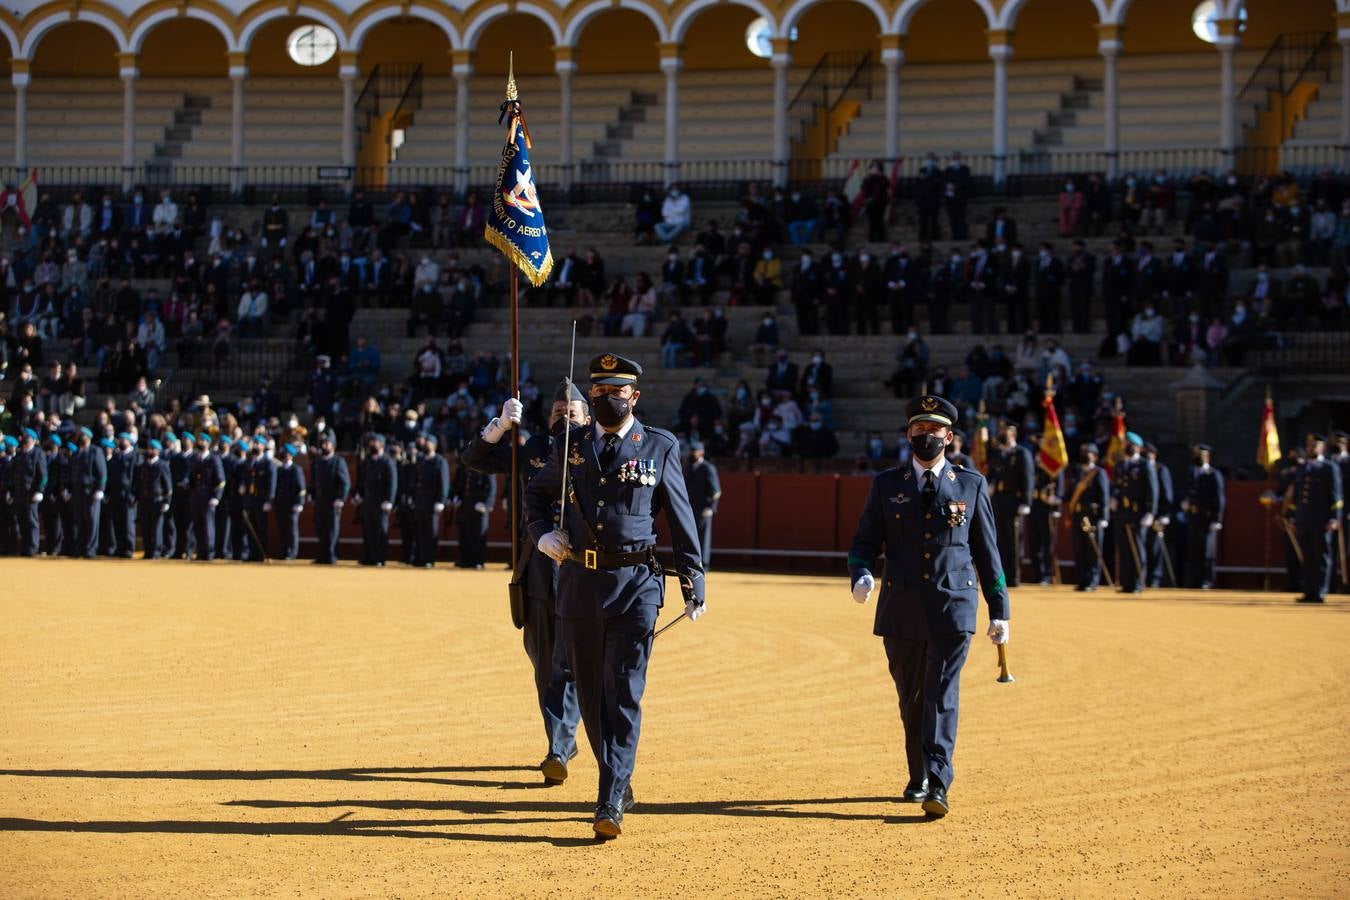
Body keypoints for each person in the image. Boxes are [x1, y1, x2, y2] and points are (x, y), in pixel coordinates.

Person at [524, 353, 706, 839]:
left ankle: (609, 798)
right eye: (598, 393)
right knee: (589, 697)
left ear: (635, 397)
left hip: (636, 587)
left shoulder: (660, 447)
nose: (606, 400)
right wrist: (542, 534)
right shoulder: (571, 445)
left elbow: (682, 519)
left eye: (616, 393)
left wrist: (693, 580)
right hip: (581, 585)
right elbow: (535, 496)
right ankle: (619, 779)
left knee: (623, 693)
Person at [847, 393, 1010, 818]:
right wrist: (861, 572)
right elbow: (865, 540)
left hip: (952, 604)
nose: (926, 437)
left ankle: (938, 782)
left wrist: (1000, 609)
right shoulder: (887, 484)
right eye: (918, 430)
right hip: (901, 605)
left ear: (949, 436)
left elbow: (987, 550)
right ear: (908, 435)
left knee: (940, 695)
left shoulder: (971, 484)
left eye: (933, 430)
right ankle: (918, 773)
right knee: (912, 698)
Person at [462, 381, 590, 784]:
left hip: (582, 569)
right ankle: (561, 739)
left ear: (587, 418)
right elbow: (474, 458)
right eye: (556, 410)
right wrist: (499, 426)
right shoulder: (532, 448)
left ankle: (559, 743)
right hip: (537, 567)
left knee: (568, 663)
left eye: (570, 411)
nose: (562, 415)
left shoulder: (596, 450)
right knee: (544, 660)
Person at [1290, 434, 1343, 603]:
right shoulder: (1302, 467)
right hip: (1304, 518)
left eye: (1314, 445)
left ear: (1322, 447)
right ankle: (1308, 591)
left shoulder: (1329, 467)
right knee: (1307, 556)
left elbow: (1336, 496)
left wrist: (1334, 518)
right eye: (1309, 445)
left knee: (1321, 556)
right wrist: (1293, 516)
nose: (1311, 448)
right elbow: (1296, 496)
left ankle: (1320, 591)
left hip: (1321, 519)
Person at [987, 421, 1034, 589]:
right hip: (998, 499)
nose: (1002, 434)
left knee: (1013, 539)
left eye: (1005, 431)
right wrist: (989, 485)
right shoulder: (998, 453)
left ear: (1013, 433)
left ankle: (1014, 576)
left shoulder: (1022, 453)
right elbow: (992, 473)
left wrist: (1026, 502)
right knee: (998, 538)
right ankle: (1001, 574)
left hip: (1013, 499)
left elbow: (1027, 478)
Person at [1111, 432, 1158, 594]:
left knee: (1137, 547)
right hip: (1123, 511)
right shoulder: (1121, 464)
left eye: (1128, 443)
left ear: (1137, 446)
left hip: (1138, 511)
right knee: (1124, 548)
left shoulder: (1145, 465)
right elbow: (1117, 486)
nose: (1124, 446)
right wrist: (1114, 498)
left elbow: (1152, 490)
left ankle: (1138, 581)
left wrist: (1150, 512)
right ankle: (1127, 582)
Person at [1062, 442, 1111, 591]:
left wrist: (1104, 517)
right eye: (1083, 452)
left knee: (1092, 550)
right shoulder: (1076, 472)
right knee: (1079, 548)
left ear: (1094, 456)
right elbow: (1070, 494)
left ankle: (1092, 581)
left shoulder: (1098, 473)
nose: (1085, 455)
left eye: (1088, 453)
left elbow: (1104, 497)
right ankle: (1082, 580)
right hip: (1078, 514)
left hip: (1093, 516)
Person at [1182, 443, 1224, 589]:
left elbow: (1219, 498)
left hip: (1207, 518)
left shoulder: (1213, 474)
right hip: (1193, 516)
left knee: (1207, 551)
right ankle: (1194, 579)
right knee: (1194, 550)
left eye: (1201, 455)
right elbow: (1188, 491)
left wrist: (1217, 519)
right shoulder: (1192, 472)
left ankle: (1206, 580)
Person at [355, 433, 397, 567]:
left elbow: (392, 483)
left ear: (381, 444)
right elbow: (362, 481)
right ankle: (368, 556)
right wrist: (359, 495)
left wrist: (389, 500)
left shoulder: (387, 461)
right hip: (368, 501)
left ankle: (379, 557)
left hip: (381, 502)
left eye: (374, 442)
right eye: (371, 442)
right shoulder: (368, 461)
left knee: (380, 531)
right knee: (368, 530)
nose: (371, 445)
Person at [310, 431, 350, 565]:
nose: (324, 446)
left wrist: (341, 498)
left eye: (327, 443)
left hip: (333, 501)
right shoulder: (319, 462)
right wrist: (313, 496)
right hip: (321, 501)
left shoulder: (338, 461)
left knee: (332, 529)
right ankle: (322, 554)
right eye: (323, 443)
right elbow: (314, 481)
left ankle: (331, 555)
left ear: (333, 446)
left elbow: (345, 483)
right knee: (321, 529)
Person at [412, 434, 450, 568]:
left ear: (434, 445)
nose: (426, 444)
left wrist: (441, 500)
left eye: (429, 442)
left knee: (431, 532)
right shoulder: (421, 460)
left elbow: (444, 483)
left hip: (432, 502)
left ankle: (429, 558)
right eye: (426, 442)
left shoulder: (440, 461)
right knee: (420, 531)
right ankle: (420, 558)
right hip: (420, 501)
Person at [453, 455, 496, 570]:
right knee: (466, 533)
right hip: (466, 503)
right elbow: (459, 486)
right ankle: (465, 560)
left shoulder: (486, 467)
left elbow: (492, 488)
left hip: (479, 504)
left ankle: (478, 561)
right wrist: (457, 497)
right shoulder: (464, 468)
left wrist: (487, 505)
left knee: (479, 534)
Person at [69, 427, 107, 559]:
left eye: (82, 435)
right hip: (78, 490)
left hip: (91, 491)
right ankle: (80, 548)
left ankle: (90, 549)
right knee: (79, 520)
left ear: (88, 437)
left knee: (91, 521)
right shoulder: (77, 453)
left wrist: (100, 489)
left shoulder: (95, 451)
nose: (80, 438)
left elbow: (102, 472)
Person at [684, 439, 722, 570]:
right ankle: (691, 561)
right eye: (691, 451)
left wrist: (711, 507)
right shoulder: (688, 468)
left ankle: (704, 564)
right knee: (689, 535)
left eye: (694, 451)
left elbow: (716, 491)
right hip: (690, 508)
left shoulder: (708, 468)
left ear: (701, 453)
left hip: (703, 509)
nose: (691, 453)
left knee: (703, 536)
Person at [10, 428, 47, 557]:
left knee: (32, 520)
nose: (25, 438)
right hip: (19, 492)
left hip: (31, 491)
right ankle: (25, 547)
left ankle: (32, 547)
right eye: (24, 435)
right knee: (22, 520)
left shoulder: (38, 453)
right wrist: (11, 491)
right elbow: (13, 474)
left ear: (33, 440)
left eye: (28, 436)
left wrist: (40, 490)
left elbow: (43, 475)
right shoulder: (20, 454)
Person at [1142, 443, 1174, 587]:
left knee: (1155, 548)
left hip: (1157, 515)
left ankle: (1155, 578)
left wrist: (1165, 514)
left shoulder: (1161, 469)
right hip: (1142, 514)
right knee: (1143, 546)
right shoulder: (1141, 468)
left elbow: (1166, 492)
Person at [189, 431, 225, 561]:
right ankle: (201, 552)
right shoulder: (194, 458)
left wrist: (217, 497)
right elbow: (192, 478)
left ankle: (209, 552)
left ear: (208, 443)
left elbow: (221, 481)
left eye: (203, 441)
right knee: (197, 526)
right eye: (199, 440)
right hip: (196, 497)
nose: (200, 443)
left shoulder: (213, 459)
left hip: (209, 498)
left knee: (208, 526)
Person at [135, 438, 172, 559]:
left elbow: (167, 485)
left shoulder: (162, 465)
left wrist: (167, 501)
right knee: (146, 526)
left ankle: (156, 550)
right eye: (149, 448)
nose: (149, 451)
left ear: (157, 451)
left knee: (156, 527)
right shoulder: (144, 466)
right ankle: (148, 550)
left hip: (157, 500)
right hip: (145, 500)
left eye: (152, 449)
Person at [243, 437, 276, 562]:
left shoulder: (268, 463)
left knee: (261, 528)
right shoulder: (249, 461)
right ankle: (252, 553)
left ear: (263, 446)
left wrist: (269, 500)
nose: (255, 446)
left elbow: (271, 483)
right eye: (254, 443)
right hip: (250, 499)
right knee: (251, 528)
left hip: (261, 499)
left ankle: (262, 553)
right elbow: (246, 479)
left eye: (258, 444)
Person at [106, 432, 138, 558]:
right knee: (117, 523)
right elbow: (111, 476)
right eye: (120, 439)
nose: (121, 442)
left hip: (128, 495)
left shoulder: (135, 456)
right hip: (116, 494)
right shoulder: (116, 456)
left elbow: (137, 477)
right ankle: (120, 548)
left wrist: (134, 494)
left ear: (129, 441)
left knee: (128, 523)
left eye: (124, 439)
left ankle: (129, 549)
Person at [274, 443, 307, 560]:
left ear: (291, 455)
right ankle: (283, 551)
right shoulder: (279, 470)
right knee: (282, 528)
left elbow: (301, 488)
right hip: (281, 504)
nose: (284, 455)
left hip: (292, 504)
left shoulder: (296, 469)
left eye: (286, 453)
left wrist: (300, 502)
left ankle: (292, 552)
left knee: (292, 529)